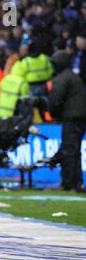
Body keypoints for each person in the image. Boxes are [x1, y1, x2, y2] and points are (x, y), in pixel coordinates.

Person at [48, 50, 86, 192]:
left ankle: (68, 183)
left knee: (69, 150)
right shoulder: (74, 76)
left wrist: (54, 114)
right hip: (80, 117)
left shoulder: (62, 79)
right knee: (74, 150)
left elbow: (55, 100)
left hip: (72, 118)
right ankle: (76, 182)